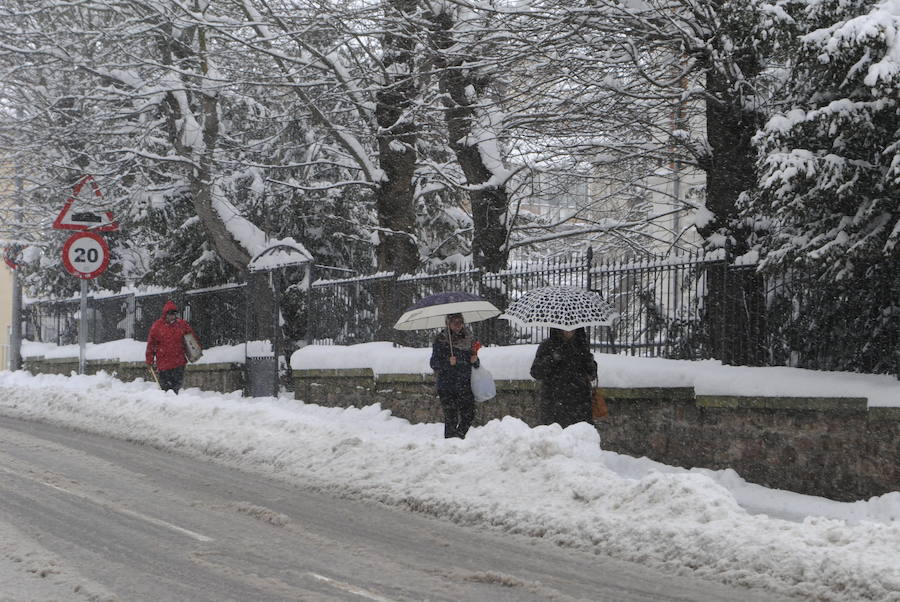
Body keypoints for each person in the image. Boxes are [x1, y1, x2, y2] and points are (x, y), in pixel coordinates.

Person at [530, 327, 597, 428]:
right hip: (554, 402)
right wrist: (553, 358)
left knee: (579, 439)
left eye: (573, 327)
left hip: (580, 403)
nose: (569, 330)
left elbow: (591, 373)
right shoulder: (547, 346)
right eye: (565, 328)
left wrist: (590, 363)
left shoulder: (581, 345)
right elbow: (536, 372)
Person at [430, 313, 480, 439]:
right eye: (454, 323)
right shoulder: (441, 340)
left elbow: (474, 363)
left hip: (464, 384)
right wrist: (448, 362)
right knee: (451, 418)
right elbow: (434, 363)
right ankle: (450, 444)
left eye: (460, 322)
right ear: (448, 324)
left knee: (469, 414)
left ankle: (458, 438)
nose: (458, 326)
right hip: (447, 385)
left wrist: (475, 361)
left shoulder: (469, 339)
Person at [145, 300, 200, 394]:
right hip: (164, 365)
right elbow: (151, 345)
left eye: (174, 314)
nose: (172, 316)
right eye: (170, 314)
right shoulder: (157, 327)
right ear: (165, 314)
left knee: (176, 389)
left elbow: (191, 339)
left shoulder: (181, 325)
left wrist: (195, 351)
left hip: (178, 363)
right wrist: (149, 360)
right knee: (165, 389)